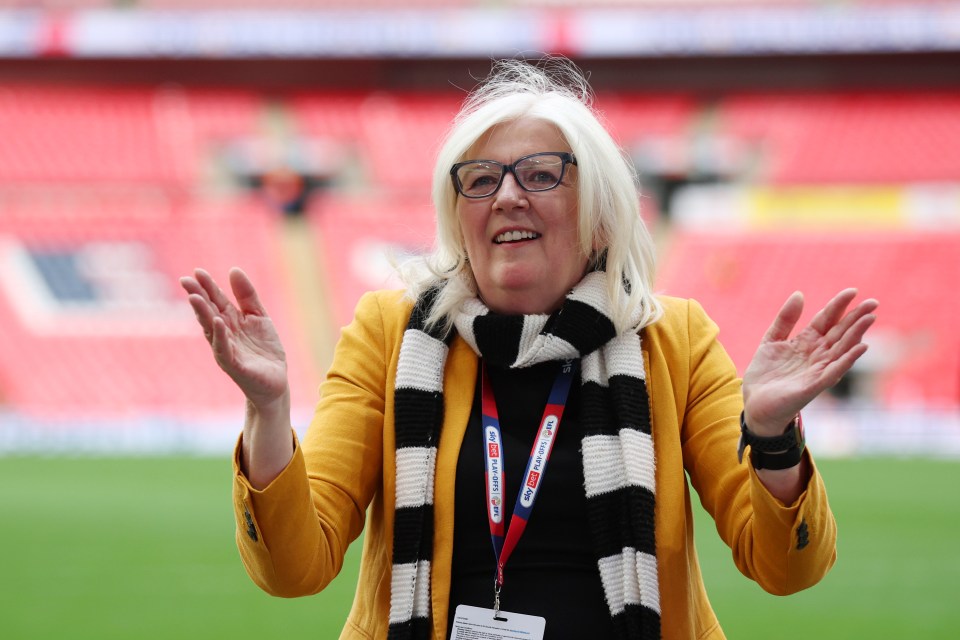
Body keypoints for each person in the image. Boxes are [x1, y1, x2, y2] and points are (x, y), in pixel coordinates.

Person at [180, 58, 877, 640]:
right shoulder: (389, 333)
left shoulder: (676, 340)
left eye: (541, 174)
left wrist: (772, 437)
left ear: (600, 213)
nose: (507, 196)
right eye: (480, 180)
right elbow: (293, 570)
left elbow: (787, 569)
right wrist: (269, 412)